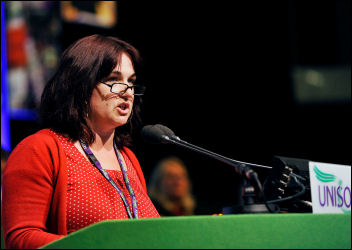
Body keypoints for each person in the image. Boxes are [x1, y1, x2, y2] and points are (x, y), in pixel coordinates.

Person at [1, 34, 160, 249]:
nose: (127, 92)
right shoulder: (40, 149)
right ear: (81, 85)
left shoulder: (127, 158)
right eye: (114, 79)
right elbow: (22, 238)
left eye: (130, 82)